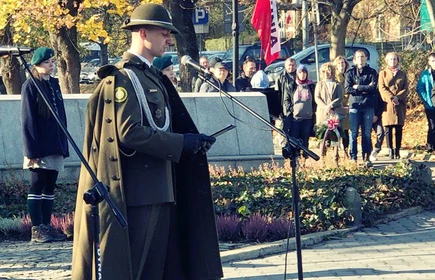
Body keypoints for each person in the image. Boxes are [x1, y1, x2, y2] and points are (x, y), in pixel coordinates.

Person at [72, 3, 223, 280]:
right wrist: (181, 144)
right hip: (142, 193)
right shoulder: (124, 79)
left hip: (160, 188)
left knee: (159, 269)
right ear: (143, 32)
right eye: (164, 32)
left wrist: (191, 141)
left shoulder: (148, 76)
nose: (169, 39)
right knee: (141, 270)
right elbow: (129, 132)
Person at [21, 47, 69, 243]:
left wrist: (63, 144)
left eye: (52, 61)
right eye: (48, 62)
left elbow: (61, 116)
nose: (52, 65)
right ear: (38, 65)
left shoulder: (54, 85)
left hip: (55, 143)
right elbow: (28, 120)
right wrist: (32, 150)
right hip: (39, 145)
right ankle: (37, 229)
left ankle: (47, 227)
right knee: (37, 186)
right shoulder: (30, 86)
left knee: (50, 186)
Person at [345, 49, 378, 165]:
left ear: (366, 58)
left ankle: (366, 157)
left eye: (363, 56)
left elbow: (373, 88)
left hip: (368, 105)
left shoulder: (372, 72)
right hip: (354, 106)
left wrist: (357, 87)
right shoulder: (350, 73)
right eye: (358, 57)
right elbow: (348, 89)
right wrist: (365, 88)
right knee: (353, 133)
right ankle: (353, 157)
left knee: (366, 133)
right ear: (354, 59)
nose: (361, 59)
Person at [283, 64, 316, 157]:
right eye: (300, 72)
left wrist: (313, 111)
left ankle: (304, 159)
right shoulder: (291, 86)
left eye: (304, 72)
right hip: (295, 118)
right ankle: (294, 159)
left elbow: (314, 101)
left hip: (308, 118)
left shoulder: (311, 86)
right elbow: (287, 100)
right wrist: (292, 109)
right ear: (297, 74)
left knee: (305, 139)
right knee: (294, 139)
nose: (302, 75)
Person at [274, 58, 297, 147]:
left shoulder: (299, 76)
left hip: (296, 107)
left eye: (293, 65)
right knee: (285, 130)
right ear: (285, 66)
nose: (291, 67)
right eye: (289, 65)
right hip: (284, 107)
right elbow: (278, 93)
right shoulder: (280, 77)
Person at [314, 62, 344, 127]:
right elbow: (317, 97)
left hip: (334, 112)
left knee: (334, 133)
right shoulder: (319, 84)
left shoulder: (337, 84)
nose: (326, 73)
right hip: (322, 112)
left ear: (332, 72)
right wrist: (326, 107)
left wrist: (330, 106)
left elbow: (340, 97)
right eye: (324, 71)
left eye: (328, 71)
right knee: (323, 133)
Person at [417, 52, 435, 153]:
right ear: (429, 62)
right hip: (430, 104)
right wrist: (427, 100)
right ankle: (430, 145)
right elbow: (420, 88)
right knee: (432, 125)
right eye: (432, 61)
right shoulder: (425, 74)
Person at [333, 55, 350, 157]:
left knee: (346, 131)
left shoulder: (348, 75)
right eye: (339, 63)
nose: (341, 65)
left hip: (347, 107)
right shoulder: (335, 78)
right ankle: (335, 153)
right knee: (335, 131)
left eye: (343, 63)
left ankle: (346, 151)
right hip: (338, 107)